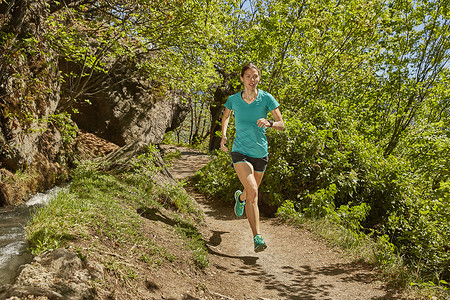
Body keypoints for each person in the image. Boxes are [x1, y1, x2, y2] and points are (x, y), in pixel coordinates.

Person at [220, 63, 285, 252]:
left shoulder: (266, 98)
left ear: (259, 78)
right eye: (248, 76)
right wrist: (223, 134)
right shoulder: (233, 99)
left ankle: (240, 198)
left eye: (255, 76)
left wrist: (270, 122)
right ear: (242, 78)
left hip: (260, 154)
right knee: (254, 191)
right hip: (240, 151)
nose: (252, 79)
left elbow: (282, 124)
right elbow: (225, 116)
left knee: (249, 192)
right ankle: (257, 237)